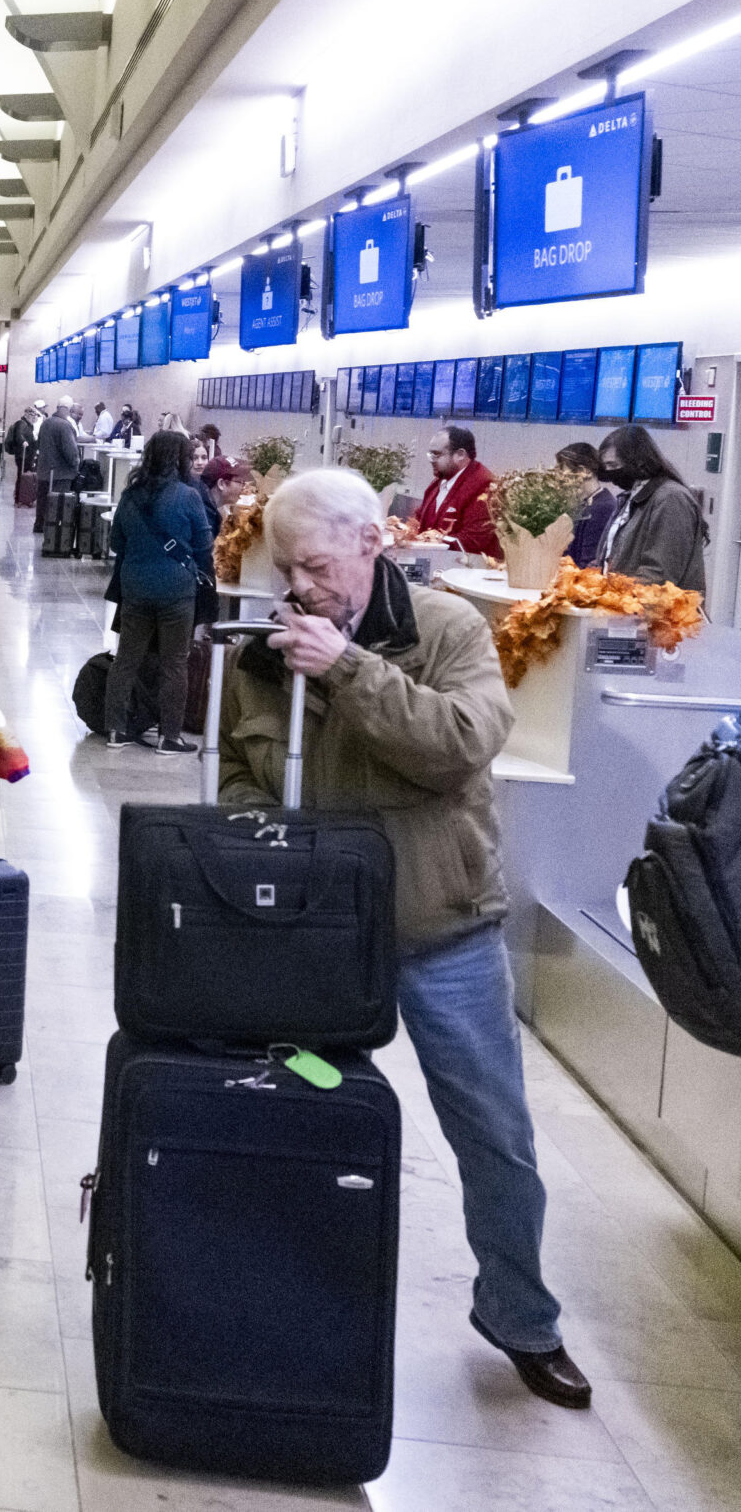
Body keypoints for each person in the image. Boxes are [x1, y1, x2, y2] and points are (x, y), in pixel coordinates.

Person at [223, 468, 587, 1410]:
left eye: (315, 567)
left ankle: (521, 1316)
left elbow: (458, 744)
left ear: (372, 545)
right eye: (286, 570)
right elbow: (235, 770)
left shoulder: (449, 630)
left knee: (494, 1135)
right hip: (317, 947)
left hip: (442, 935)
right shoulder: (263, 651)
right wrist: (258, 833)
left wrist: (345, 669)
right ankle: (286, 1302)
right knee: (301, 1112)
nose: (299, 589)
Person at [106, 430, 215, 753]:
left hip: (135, 588)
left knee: (126, 660)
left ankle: (115, 730)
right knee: (174, 663)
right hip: (176, 592)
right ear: (180, 459)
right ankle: (170, 736)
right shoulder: (189, 495)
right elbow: (204, 545)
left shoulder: (131, 495)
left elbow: (116, 543)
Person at [597, 425, 708, 592]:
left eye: (613, 465)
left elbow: (660, 576)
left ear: (638, 460)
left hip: (659, 614)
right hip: (628, 611)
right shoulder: (631, 497)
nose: (610, 473)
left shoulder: (670, 498)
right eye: (607, 467)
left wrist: (611, 595)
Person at [415, 427, 499, 559]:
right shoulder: (438, 482)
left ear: (460, 454)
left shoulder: (484, 485)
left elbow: (474, 539)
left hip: (465, 570)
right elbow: (419, 520)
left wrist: (435, 540)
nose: (431, 460)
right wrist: (403, 531)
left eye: (436, 454)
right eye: (430, 454)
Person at [553, 443, 618, 572]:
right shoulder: (585, 504)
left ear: (585, 472)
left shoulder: (603, 507)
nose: (557, 477)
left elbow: (588, 566)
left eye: (561, 469)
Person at [35, 397, 83, 493]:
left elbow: (38, 444)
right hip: (61, 476)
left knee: (43, 505)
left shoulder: (45, 423)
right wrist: (76, 466)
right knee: (58, 505)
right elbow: (71, 452)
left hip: (43, 474)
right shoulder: (65, 426)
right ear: (68, 408)